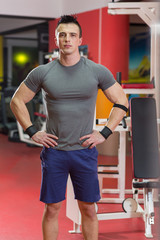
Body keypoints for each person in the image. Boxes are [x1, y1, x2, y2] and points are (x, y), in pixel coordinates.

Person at [10, 15, 128, 240]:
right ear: (56, 40)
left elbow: (121, 101)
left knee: (89, 209)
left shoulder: (96, 71)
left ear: (80, 39)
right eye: (62, 35)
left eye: (72, 35)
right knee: (52, 209)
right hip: (54, 152)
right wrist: (32, 131)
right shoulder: (43, 72)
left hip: (84, 151)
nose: (67, 39)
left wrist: (104, 132)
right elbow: (17, 100)